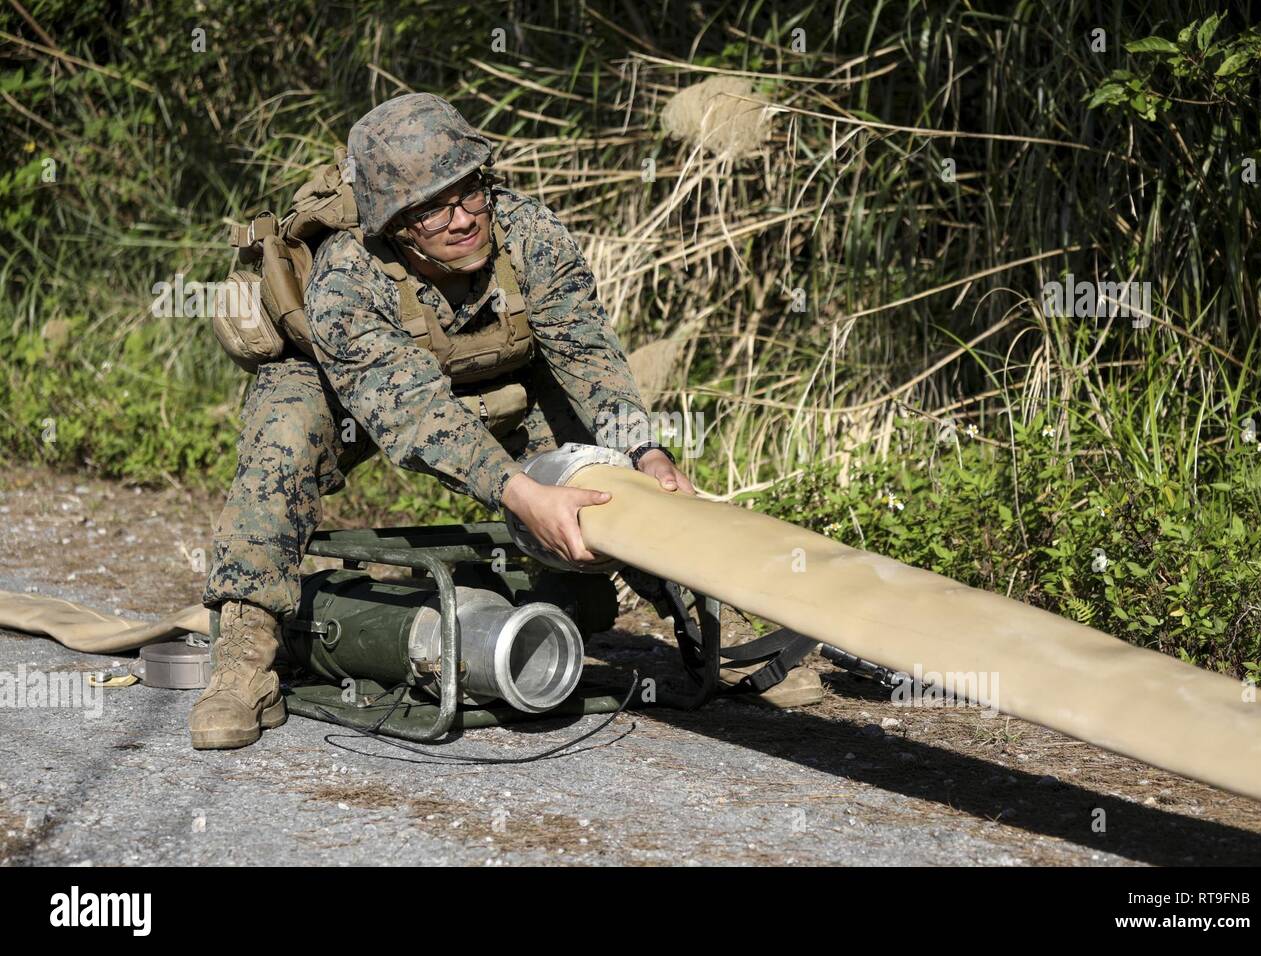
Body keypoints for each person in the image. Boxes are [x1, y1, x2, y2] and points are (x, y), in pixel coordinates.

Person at [192, 93, 813, 750]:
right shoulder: (349, 278)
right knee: (280, 439)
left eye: (469, 193)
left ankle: (718, 640)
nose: (461, 220)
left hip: (497, 382)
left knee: (619, 472)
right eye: (431, 208)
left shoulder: (529, 235)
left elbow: (585, 353)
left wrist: (645, 450)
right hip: (352, 394)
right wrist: (520, 492)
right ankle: (243, 659)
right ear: (393, 225)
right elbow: (414, 414)